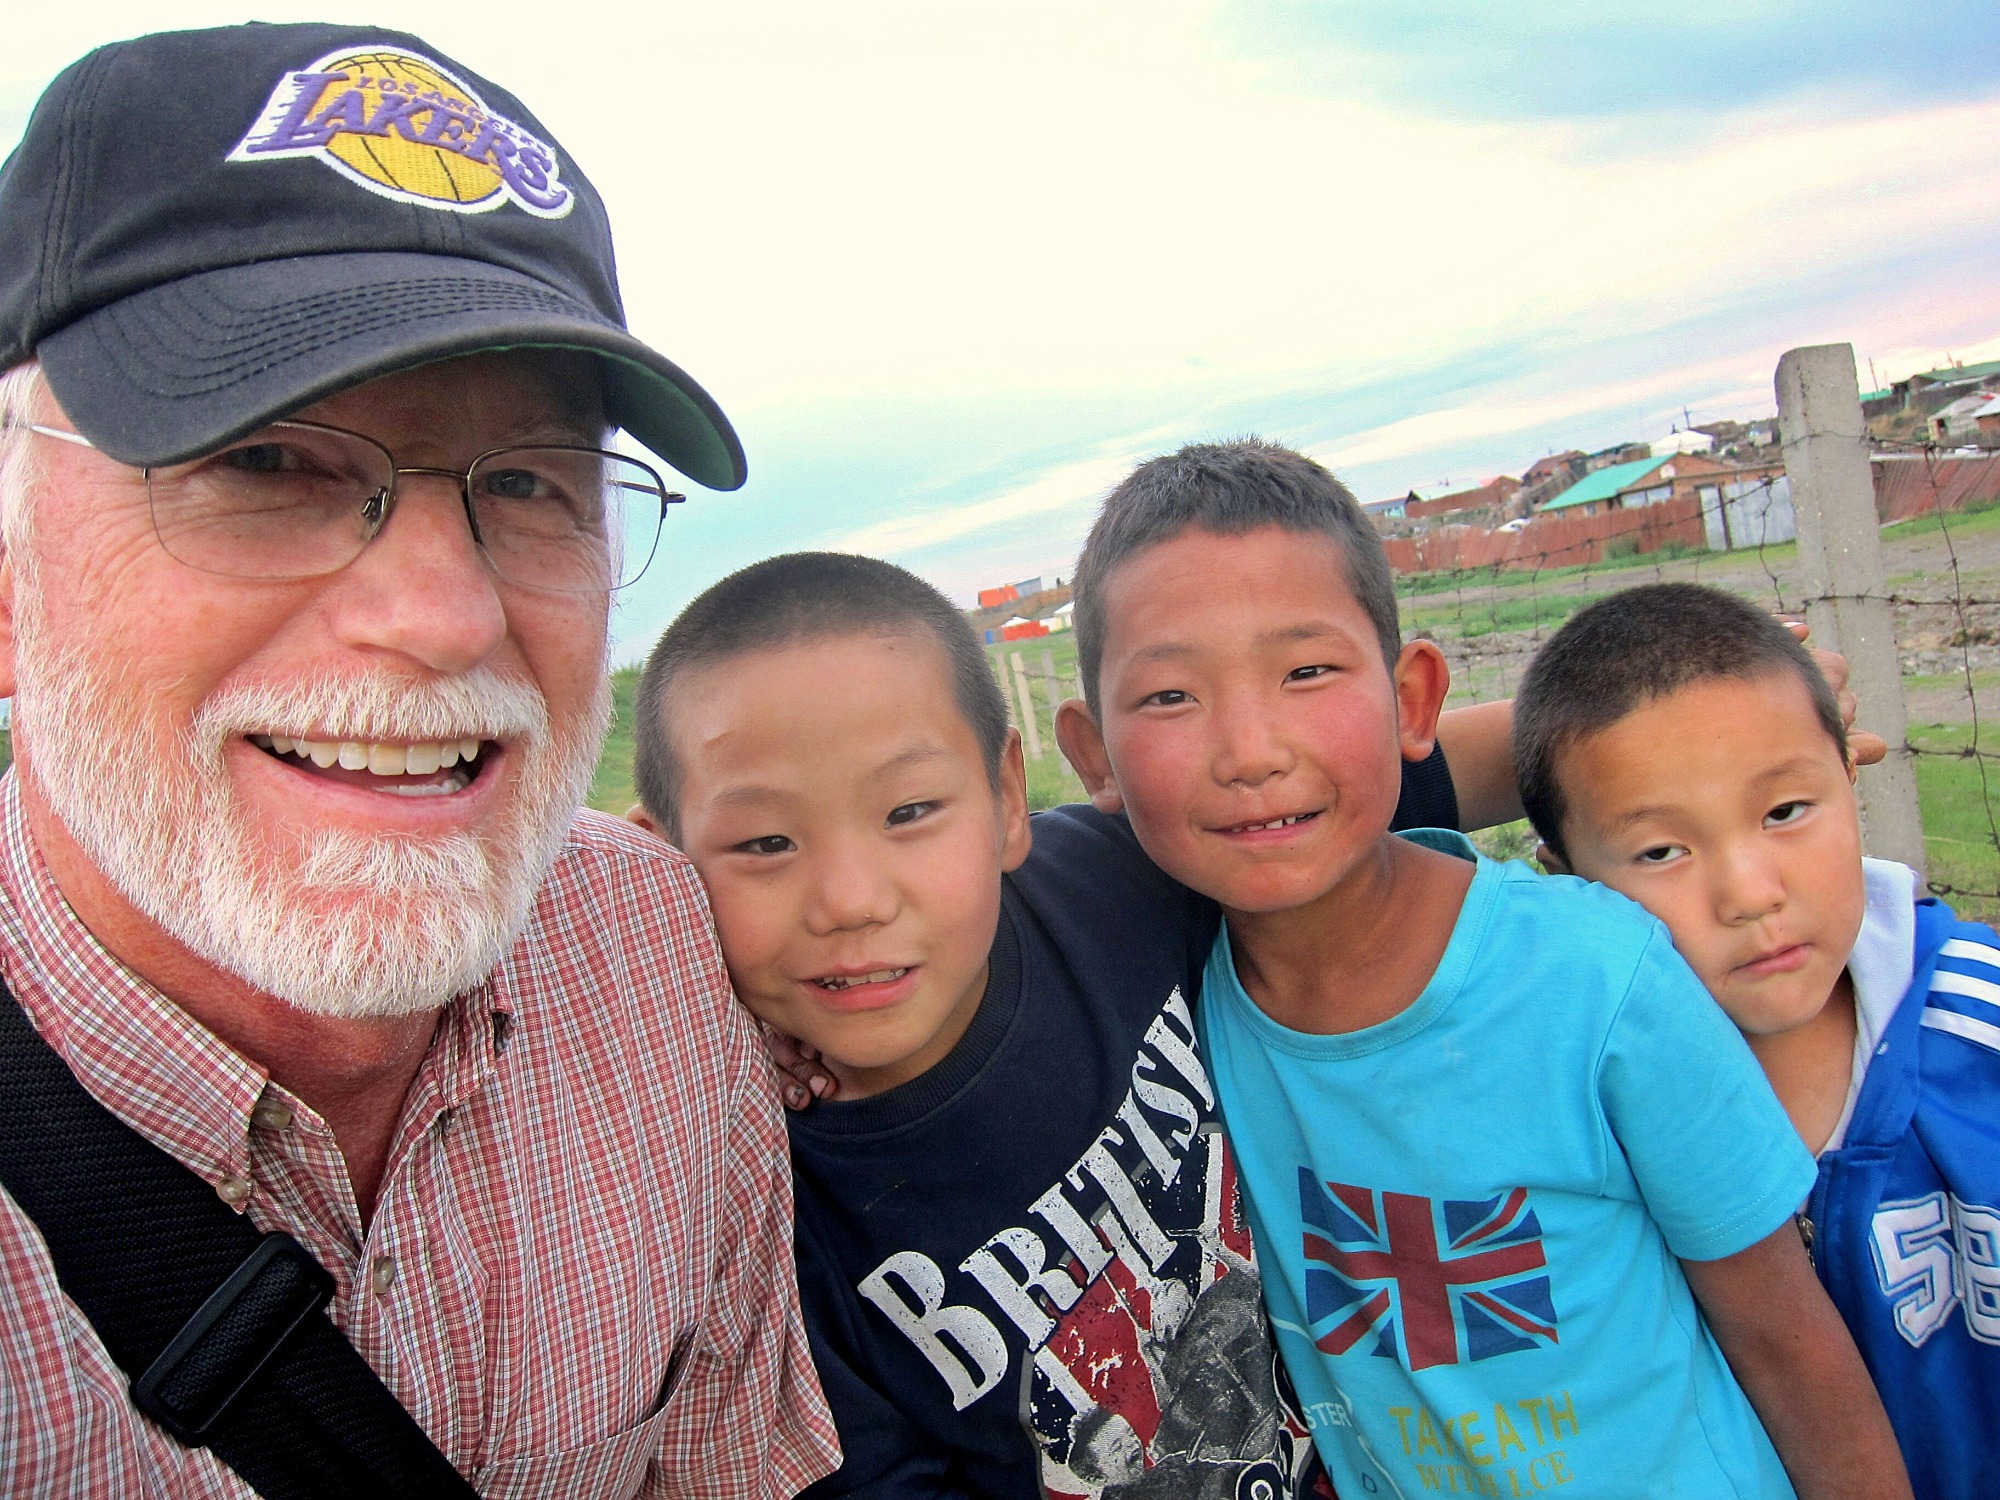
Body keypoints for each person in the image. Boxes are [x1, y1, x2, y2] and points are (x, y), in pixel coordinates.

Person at [0, 22, 834, 1497]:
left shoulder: (652, 947)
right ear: (11, 586)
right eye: (265, 460)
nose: (448, 616)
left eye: (526, 481)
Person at [1053, 440, 1910, 1498]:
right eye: (1170, 696)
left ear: (1412, 699)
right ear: (1092, 756)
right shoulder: (1174, 1023)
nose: (1250, 750)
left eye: (1306, 672)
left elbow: (1792, 1349)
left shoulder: (1596, 977)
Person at [626, 550, 1489, 1497]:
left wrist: (1593, 758)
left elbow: (1371, 789)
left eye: (909, 811)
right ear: (663, 868)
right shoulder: (747, 1219)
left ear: (1006, 798)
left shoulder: (1108, 885)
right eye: (765, 843)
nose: (850, 901)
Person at [1515, 582, 2000, 1500]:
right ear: (1568, 879)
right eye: (1661, 852)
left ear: (1849, 774)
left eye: (1785, 812)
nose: (1749, 893)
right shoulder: (1569, 1117)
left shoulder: (1984, 1034)